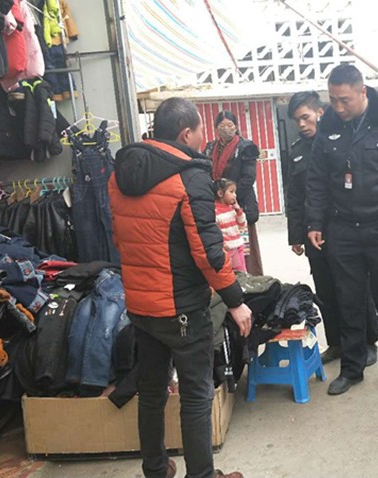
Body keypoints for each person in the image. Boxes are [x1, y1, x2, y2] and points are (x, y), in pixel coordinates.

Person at [109, 97, 251, 478]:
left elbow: (121, 239)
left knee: (152, 391)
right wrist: (235, 300)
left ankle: (156, 469)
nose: (205, 137)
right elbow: (209, 251)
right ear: (186, 133)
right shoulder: (190, 178)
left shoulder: (119, 175)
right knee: (196, 394)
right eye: (201, 130)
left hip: (141, 305)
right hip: (182, 307)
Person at [306, 64, 378, 397]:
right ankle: (352, 368)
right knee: (349, 302)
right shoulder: (328, 126)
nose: (338, 107)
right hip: (343, 229)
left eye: (344, 100)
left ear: (362, 92)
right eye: (333, 100)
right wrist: (315, 222)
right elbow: (316, 180)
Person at [285, 90, 378, 366]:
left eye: (305, 117)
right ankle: (337, 342)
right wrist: (295, 235)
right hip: (313, 234)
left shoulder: (339, 141)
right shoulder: (297, 151)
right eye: (297, 120)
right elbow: (294, 196)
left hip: (344, 228)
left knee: (355, 287)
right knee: (325, 290)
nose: (302, 124)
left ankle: (368, 341)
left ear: (320, 112)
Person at [205, 111, 264, 275]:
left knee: (244, 251)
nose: (226, 129)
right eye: (222, 125)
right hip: (218, 208)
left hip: (239, 205)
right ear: (216, 128)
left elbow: (248, 177)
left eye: (230, 125)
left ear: (236, 126)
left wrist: (230, 197)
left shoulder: (246, 147)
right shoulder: (210, 148)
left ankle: (249, 279)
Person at [215, 178, 247, 273]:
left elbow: (242, 225)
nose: (235, 195)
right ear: (220, 193)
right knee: (228, 272)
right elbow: (215, 231)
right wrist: (222, 243)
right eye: (231, 192)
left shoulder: (232, 208)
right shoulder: (215, 211)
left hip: (238, 246)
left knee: (241, 271)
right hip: (226, 248)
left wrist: (238, 211)